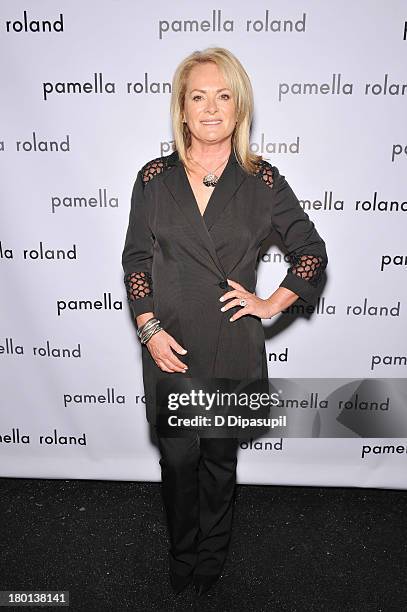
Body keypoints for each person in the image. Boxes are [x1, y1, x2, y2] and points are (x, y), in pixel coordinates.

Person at [121, 47, 328, 597]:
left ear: (239, 108)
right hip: (169, 344)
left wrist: (272, 302)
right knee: (177, 461)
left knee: (218, 461)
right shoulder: (153, 178)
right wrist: (148, 328)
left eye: (224, 96)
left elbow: (310, 252)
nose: (211, 108)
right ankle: (181, 553)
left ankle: (210, 561)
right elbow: (136, 260)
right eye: (198, 97)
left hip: (231, 344)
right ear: (181, 109)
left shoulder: (261, 182)